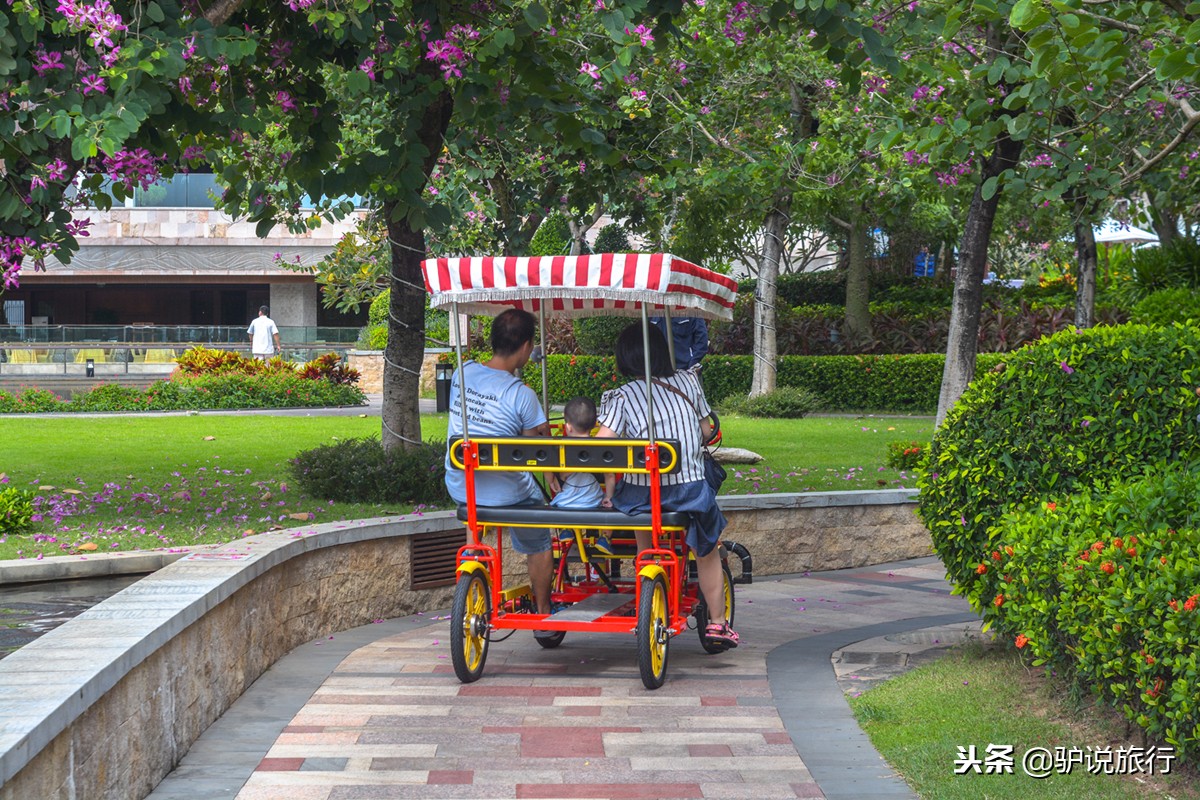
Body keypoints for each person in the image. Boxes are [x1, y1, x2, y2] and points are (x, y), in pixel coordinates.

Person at [594, 323, 739, 649]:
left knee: (638, 508)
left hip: (641, 496)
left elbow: (603, 448)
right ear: (662, 351)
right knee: (707, 551)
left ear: (624, 357)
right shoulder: (689, 382)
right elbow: (705, 431)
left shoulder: (621, 397)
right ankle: (717, 623)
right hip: (689, 492)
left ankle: (648, 565)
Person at [443, 308, 557, 638]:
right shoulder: (522, 395)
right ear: (525, 347)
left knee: (477, 508)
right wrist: (552, 477)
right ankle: (543, 612)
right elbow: (542, 447)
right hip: (508, 494)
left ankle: (474, 559)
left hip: (462, 484)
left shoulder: (462, 374)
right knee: (538, 533)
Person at [551, 396, 614, 558]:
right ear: (594, 425)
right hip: (593, 499)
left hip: (567, 503)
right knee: (613, 507)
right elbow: (610, 475)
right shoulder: (600, 447)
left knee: (559, 499)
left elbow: (563, 476)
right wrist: (609, 496)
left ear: (568, 427)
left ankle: (566, 529)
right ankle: (605, 536)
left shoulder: (563, 448)